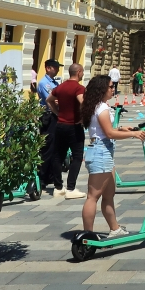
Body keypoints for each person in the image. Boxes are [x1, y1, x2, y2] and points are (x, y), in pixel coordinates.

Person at [80, 75, 145, 238]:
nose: (113, 89)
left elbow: (105, 129)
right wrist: (133, 135)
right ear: (102, 89)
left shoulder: (97, 106)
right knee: (93, 197)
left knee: (109, 194)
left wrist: (122, 129)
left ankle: (115, 228)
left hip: (103, 152)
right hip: (100, 152)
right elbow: (109, 134)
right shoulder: (101, 109)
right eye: (111, 87)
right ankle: (87, 235)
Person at [48, 63, 87, 199]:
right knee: (77, 157)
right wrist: (83, 117)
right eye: (82, 72)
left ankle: (58, 187)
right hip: (74, 126)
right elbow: (82, 102)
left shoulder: (61, 86)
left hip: (60, 125)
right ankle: (71, 188)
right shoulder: (79, 88)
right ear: (79, 72)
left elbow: (49, 100)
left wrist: (58, 113)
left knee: (58, 156)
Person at [36, 59, 62, 194]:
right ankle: (41, 177)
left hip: (55, 116)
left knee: (54, 147)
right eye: (55, 67)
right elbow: (52, 100)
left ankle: (49, 176)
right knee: (47, 147)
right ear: (47, 68)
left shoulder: (54, 83)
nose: (57, 69)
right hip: (48, 117)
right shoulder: (44, 83)